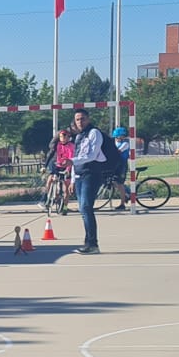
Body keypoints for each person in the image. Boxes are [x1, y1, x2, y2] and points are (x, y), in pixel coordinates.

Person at [69, 109, 107, 254]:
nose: (80, 122)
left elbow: (92, 155)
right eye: (77, 119)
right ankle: (88, 242)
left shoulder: (94, 133)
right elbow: (76, 157)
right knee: (83, 209)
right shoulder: (78, 136)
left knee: (86, 207)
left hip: (91, 174)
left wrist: (71, 161)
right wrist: (72, 179)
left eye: (82, 119)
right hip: (79, 175)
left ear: (88, 119)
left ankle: (92, 244)